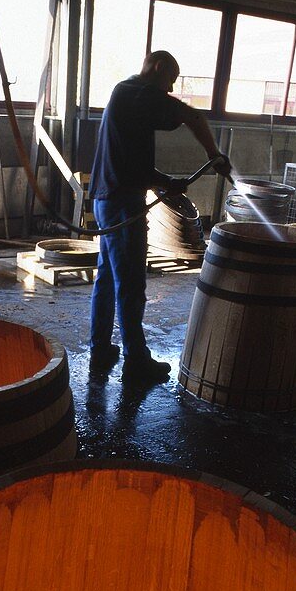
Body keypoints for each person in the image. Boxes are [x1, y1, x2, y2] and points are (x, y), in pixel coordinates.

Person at [88, 50, 232, 383]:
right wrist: (215, 155)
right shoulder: (137, 92)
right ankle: (136, 361)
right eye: (170, 81)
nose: (169, 91)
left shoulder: (126, 97)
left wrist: (166, 182)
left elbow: (132, 161)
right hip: (123, 201)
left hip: (108, 197)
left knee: (108, 277)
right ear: (157, 68)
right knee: (130, 283)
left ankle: (100, 347)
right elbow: (193, 117)